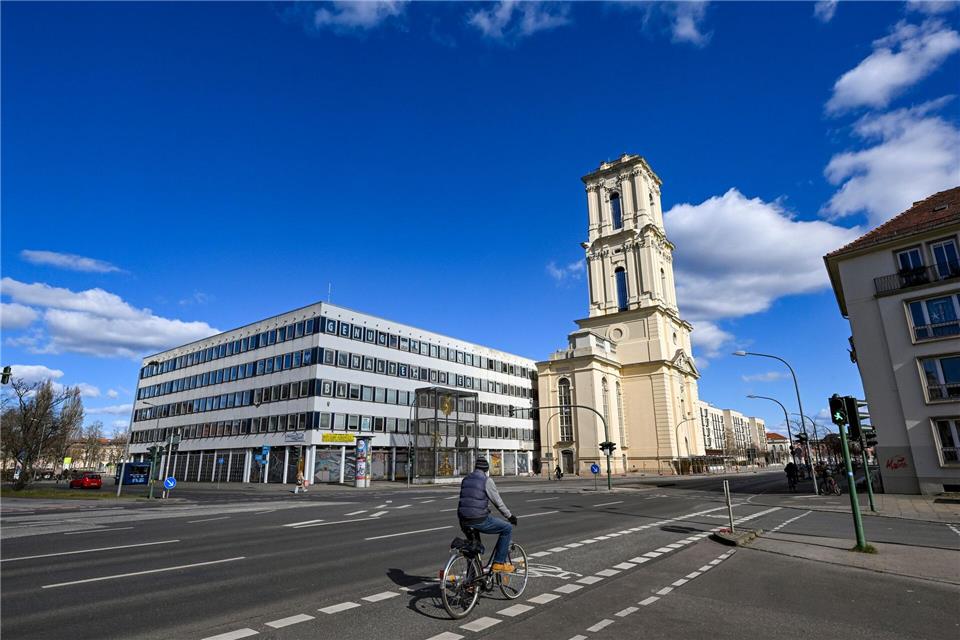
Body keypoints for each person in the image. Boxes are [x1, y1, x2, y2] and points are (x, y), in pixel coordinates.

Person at [458, 457, 518, 573]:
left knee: (473, 549)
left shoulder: (466, 479)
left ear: (475, 468)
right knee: (507, 528)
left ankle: (472, 582)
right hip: (478, 519)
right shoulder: (486, 480)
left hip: (463, 520)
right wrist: (510, 516)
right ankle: (498, 563)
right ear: (486, 469)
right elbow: (498, 503)